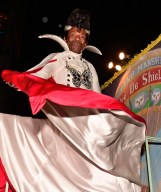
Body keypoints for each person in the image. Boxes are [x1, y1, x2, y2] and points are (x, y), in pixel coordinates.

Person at [0, 8, 147, 192]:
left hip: (87, 121)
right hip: (65, 120)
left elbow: (97, 96)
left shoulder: (90, 67)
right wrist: (20, 81)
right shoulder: (57, 59)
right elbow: (38, 76)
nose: (77, 38)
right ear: (66, 37)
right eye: (74, 34)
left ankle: (125, 185)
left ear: (86, 42)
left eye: (82, 36)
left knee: (102, 157)